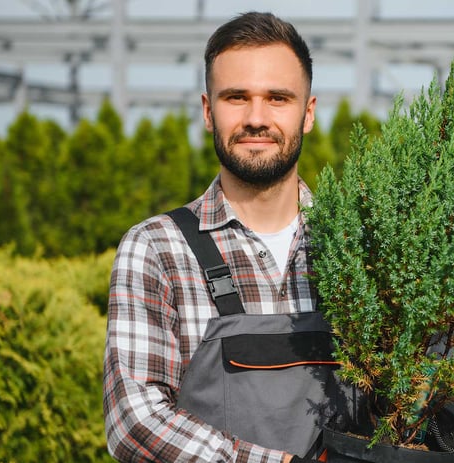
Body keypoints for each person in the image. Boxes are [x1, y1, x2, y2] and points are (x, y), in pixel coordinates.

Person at [103, 11, 340, 463]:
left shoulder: (358, 247)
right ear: (209, 111)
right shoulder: (156, 248)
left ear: (307, 114)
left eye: (277, 98)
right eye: (236, 97)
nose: (256, 118)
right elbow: (133, 421)